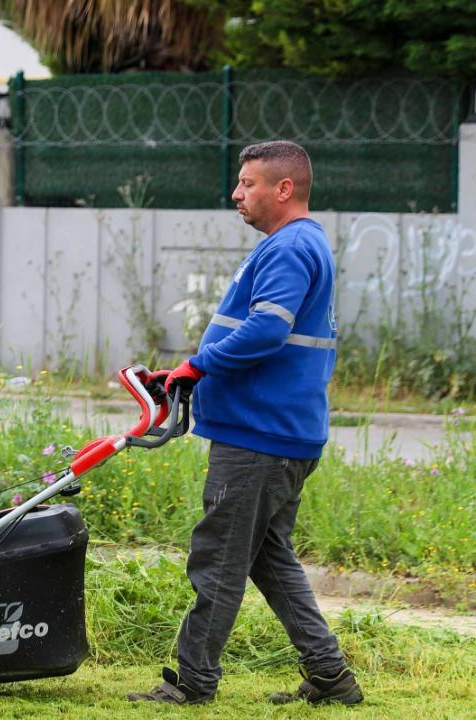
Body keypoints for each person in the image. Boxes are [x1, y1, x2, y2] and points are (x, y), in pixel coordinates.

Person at [128, 141, 362, 706]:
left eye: (247, 183)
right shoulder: (302, 244)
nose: (236, 193)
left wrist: (197, 365)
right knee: (265, 556)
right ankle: (330, 678)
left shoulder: (288, 248)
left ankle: (191, 683)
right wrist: (189, 375)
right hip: (283, 432)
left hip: (259, 437)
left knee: (220, 558)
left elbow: (266, 330)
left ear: (283, 189)